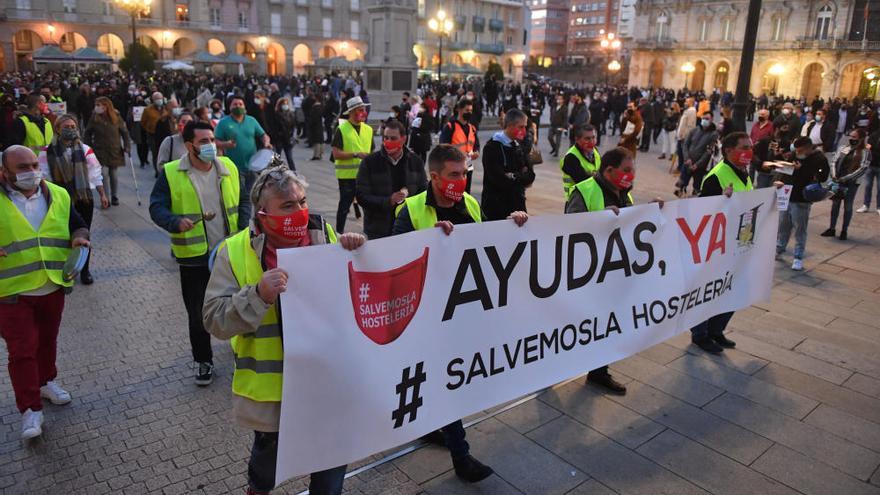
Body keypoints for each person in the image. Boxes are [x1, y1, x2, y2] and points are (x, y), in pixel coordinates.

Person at [203, 166, 359, 495]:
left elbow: (356, 291)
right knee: (266, 472)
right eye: (288, 206)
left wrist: (358, 250)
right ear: (263, 213)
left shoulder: (325, 234)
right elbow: (215, 320)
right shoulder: (233, 251)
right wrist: (256, 295)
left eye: (302, 202)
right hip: (275, 395)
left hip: (327, 382)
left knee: (331, 467)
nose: (300, 211)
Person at [392, 144, 526, 483]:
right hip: (427, 314)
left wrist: (514, 226)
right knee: (445, 381)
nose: (462, 180)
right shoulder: (410, 211)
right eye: (454, 174)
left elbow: (486, 249)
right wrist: (430, 243)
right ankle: (461, 456)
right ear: (433, 177)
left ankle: (431, 425)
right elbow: (396, 264)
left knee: (442, 380)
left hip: (464, 311)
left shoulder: (470, 204)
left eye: (465, 173)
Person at [0, 145, 90, 439]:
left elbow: (77, 224)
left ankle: (46, 381)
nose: (31, 172)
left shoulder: (58, 194)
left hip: (52, 284)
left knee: (47, 340)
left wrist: (79, 239)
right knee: (22, 350)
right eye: (22, 168)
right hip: (12, 291)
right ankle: (30, 409)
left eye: (33, 165)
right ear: (5, 172)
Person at [149, 122, 243, 386]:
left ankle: (240, 353)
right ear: (189, 145)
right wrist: (173, 221)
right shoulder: (171, 173)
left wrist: (245, 228)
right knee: (198, 312)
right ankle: (203, 360)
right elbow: (156, 207)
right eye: (203, 141)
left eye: (212, 139)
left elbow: (244, 200)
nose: (210, 145)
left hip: (230, 252)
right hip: (194, 257)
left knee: (238, 305)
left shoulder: (229, 167)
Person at [565, 147, 656, 394]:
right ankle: (555, 367)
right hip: (586, 274)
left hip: (613, 272)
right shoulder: (585, 190)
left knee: (607, 326)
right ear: (609, 170)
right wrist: (599, 221)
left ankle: (598, 371)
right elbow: (567, 230)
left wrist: (652, 213)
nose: (631, 175)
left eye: (633, 170)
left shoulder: (623, 192)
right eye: (626, 170)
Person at [690, 132, 754, 354]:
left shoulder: (744, 173)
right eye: (744, 147)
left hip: (740, 243)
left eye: (750, 147)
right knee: (710, 291)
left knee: (733, 290)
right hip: (718, 247)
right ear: (728, 151)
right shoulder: (716, 176)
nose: (749, 151)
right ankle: (700, 334)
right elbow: (703, 214)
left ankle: (717, 330)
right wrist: (721, 201)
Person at [39, 115, 109, 285]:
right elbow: (43, 176)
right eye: (66, 126)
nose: (70, 129)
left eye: (73, 126)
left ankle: (84, 270)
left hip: (84, 199)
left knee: (84, 233)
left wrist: (102, 194)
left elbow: (95, 173)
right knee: (63, 234)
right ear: (57, 129)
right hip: (59, 200)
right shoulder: (46, 151)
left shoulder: (85, 149)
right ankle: (66, 267)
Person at [355, 120, 427, 240]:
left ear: (403, 139)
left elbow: (423, 193)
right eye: (385, 138)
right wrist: (388, 201)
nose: (388, 142)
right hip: (378, 230)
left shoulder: (415, 162)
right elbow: (361, 196)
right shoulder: (370, 162)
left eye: (393, 138)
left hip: (408, 229)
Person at [215, 96, 271, 230]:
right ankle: (242, 226)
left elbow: (263, 135)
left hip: (252, 166)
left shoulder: (251, 120)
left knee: (252, 196)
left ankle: (251, 223)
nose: (238, 106)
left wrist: (266, 142)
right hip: (233, 168)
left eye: (240, 103)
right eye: (235, 104)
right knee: (242, 197)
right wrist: (226, 144)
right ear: (230, 107)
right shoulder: (223, 123)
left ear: (244, 106)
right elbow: (215, 141)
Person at [775, 137, 829, 271]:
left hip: (802, 199)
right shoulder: (794, 155)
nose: (798, 152)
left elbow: (821, 177)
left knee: (800, 228)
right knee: (783, 225)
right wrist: (780, 181)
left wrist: (802, 169)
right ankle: (779, 249)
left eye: (801, 150)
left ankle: (798, 257)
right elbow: (785, 171)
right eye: (796, 150)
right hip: (788, 195)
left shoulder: (819, 159)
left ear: (809, 148)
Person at [480, 109, 536, 221]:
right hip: (496, 209)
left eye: (525, 127)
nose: (524, 131)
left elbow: (530, 175)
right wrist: (520, 176)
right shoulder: (492, 147)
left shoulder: (518, 146)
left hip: (518, 206)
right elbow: (498, 179)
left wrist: (513, 176)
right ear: (510, 125)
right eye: (521, 127)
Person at [331, 96, 374, 233]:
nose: (364, 112)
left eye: (364, 109)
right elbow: (336, 154)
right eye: (361, 110)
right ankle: (339, 234)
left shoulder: (369, 129)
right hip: (346, 177)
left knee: (368, 206)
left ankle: (369, 233)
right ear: (352, 112)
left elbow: (372, 151)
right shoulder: (342, 129)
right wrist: (355, 154)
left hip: (364, 176)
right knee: (344, 207)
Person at [822, 128, 871, 240]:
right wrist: (834, 175)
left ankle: (844, 230)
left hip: (852, 183)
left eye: (854, 137)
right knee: (835, 204)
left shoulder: (865, 152)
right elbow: (834, 160)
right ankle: (832, 228)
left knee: (848, 206)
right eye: (851, 136)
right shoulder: (844, 148)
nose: (851, 139)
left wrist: (846, 178)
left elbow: (862, 168)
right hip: (838, 180)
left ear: (860, 138)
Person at [83, 96, 130, 207]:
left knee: (113, 173)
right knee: (103, 173)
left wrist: (127, 146)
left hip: (114, 149)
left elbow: (124, 132)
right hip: (99, 150)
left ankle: (114, 196)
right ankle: (105, 197)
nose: (97, 107)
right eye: (96, 105)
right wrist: (88, 146)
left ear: (106, 106)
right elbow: (87, 132)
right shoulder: (94, 118)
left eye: (99, 105)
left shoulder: (116, 117)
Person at [440, 99, 480, 193]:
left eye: (471, 111)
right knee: (454, 194)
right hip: (454, 168)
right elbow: (443, 147)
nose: (469, 113)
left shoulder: (472, 128)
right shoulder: (450, 127)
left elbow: (476, 145)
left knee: (466, 195)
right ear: (459, 110)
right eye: (467, 110)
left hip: (468, 167)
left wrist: (476, 152)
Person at [677, 113, 719, 197]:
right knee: (681, 184)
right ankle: (680, 196)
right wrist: (686, 158)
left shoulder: (713, 134)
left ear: (711, 119)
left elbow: (708, 152)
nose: (704, 120)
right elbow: (685, 144)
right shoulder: (695, 130)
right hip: (687, 162)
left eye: (707, 118)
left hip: (700, 166)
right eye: (703, 118)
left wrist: (697, 164)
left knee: (697, 188)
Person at [560, 124, 600, 200]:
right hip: (577, 199)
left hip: (593, 196)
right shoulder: (571, 157)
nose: (592, 142)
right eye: (587, 139)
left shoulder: (595, 151)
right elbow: (583, 181)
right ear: (577, 140)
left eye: (593, 137)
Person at [140, 92, 167, 177]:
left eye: (160, 98)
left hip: (165, 134)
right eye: (157, 99)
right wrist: (149, 128)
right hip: (153, 134)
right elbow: (143, 122)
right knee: (156, 153)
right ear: (153, 100)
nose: (159, 100)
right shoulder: (147, 110)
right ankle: (158, 171)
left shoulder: (166, 108)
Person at [856, 127, 880, 215]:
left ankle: (879, 206)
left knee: (879, 187)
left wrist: (874, 150)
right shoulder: (874, 135)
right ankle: (865, 205)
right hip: (871, 165)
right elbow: (868, 148)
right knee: (867, 186)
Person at [271, 97, 297, 171]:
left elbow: (293, 126)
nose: (285, 105)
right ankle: (274, 171)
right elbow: (274, 127)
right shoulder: (276, 114)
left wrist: (292, 136)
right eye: (283, 104)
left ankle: (294, 172)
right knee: (276, 157)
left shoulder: (291, 114)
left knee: (290, 158)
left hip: (288, 139)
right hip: (279, 139)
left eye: (286, 104)